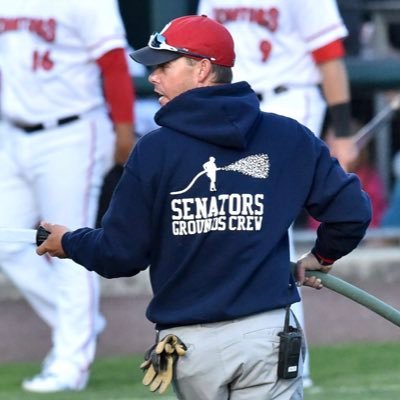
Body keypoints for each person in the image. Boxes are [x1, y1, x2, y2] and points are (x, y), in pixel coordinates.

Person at [36, 15, 371, 400]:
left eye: (164, 66)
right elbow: (351, 213)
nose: (153, 78)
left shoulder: (154, 150)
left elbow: (120, 255)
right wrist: (323, 255)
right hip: (267, 335)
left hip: (190, 346)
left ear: (202, 69)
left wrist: (70, 242)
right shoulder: (288, 135)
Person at [197, 0, 359, 386]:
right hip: (232, 107)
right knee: (247, 231)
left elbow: (329, 55)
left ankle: (288, 362)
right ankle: (280, 361)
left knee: (265, 230)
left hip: (289, 100)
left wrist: (344, 130)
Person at [0, 0, 135, 393]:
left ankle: (71, 363)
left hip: (71, 132)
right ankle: (80, 323)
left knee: (68, 244)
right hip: (12, 132)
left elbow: (114, 65)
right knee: (6, 242)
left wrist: (123, 130)